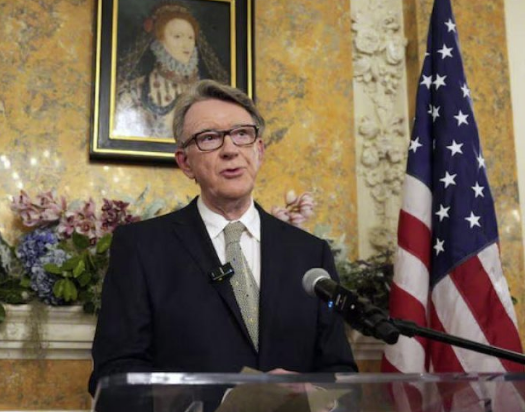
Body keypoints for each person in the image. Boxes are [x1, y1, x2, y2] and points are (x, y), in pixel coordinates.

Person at [89, 80, 357, 397]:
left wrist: (313, 393)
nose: (230, 150)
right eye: (209, 138)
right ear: (185, 163)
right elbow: (115, 373)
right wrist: (221, 399)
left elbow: (340, 374)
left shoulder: (310, 253)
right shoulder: (141, 247)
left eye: (242, 134)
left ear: (259, 150)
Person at [112, 1, 229, 139]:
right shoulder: (134, 90)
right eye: (177, 36)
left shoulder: (210, 92)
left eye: (190, 37)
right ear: (159, 40)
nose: (186, 44)